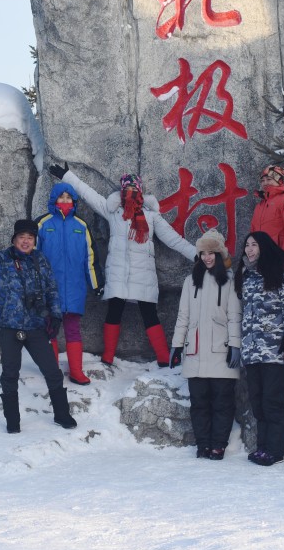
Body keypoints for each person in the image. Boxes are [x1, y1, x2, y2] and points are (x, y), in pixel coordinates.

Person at [49, 163, 196, 367]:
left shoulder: (151, 216)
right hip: (118, 273)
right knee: (114, 312)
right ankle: (108, 356)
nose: (130, 193)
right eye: (126, 189)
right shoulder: (114, 212)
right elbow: (88, 194)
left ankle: (163, 357)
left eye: (134, 189)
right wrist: (67, 175)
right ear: (121, 191)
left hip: (143, 275)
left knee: (149, 315)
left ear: (141, 192)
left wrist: (198, 255)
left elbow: (174, 240)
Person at [0, 216, 78, 433]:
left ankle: (62, 415)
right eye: (21, 237)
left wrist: (55, 317)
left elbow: (52, 290)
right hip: (10, 327)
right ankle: (13, 422)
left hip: (36, 326)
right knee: (10, 374)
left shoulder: (41, 261)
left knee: (52, 371)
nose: (26, 241)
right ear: (14, 239)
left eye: (30, 237)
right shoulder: (2, 259)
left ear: (34, 241)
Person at [169, 228, 242, 460]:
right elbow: (183, 317)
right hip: (196, 351)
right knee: (199, 403)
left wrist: (235, 345)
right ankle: (203, 443)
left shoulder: (229, 281)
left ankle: (218, 444)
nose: (207, 257)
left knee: (222, 402)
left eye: (212, 252)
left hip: (221, 351)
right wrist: (177, 345)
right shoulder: (190, 281)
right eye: (203, 253)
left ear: (219, 254)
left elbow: (234, 316)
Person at [234, 230, 284, 467]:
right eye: (247, 245)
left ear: (263, 247)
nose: (250, 249)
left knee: (273, 402)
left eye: (254, 245)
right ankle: (262, 448)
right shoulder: (246, 276)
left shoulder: (278, 271)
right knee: (258, 402)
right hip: (252, 351)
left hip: (274, 350)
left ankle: (275, 451)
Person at [36, 182, 102, 385]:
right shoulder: (43, 224)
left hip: (75, 287)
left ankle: (76, 371)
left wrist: (96, 284)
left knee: (73, 328)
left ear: (74, 200)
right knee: (50, 329)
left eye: (68, 197)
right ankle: (52, 371)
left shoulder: (81, 226)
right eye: (61, 197)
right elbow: (33, 257)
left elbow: (90, 258)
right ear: (53, 199)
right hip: (49, 288)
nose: (64, 201)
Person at [249, 164, 284, 263]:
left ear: (279, 181)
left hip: (278, 255)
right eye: (262, 180)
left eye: (269, 179)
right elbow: (253, 231)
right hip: (261, 256)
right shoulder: (260, 205)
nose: (265, 183)